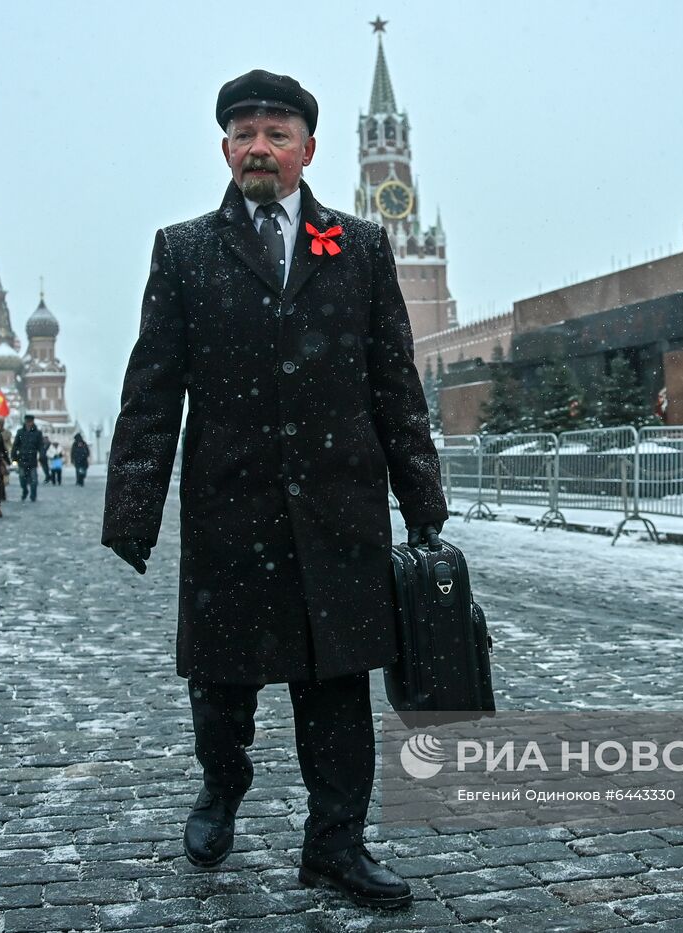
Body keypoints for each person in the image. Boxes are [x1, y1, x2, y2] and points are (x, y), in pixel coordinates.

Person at [102, 70, 445, 909]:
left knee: (338, 692)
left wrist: (422, 500)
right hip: (232, 508)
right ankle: (222, 785)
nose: (260, 146)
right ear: (225, 149)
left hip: (336, 510)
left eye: (277, 132)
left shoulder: (359, 246)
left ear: (307, 150)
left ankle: (336, 845)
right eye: (244, 132)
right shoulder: (184, 250)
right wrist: (134, 507)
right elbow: (153, 388)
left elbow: (393, 381)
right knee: (221, 682)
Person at [12, 414, 44, 502]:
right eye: (27, 422)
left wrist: (42, 455)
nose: (29, 424)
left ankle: (33, 495)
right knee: (22, 478)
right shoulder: (20, 432)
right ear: (25, 422)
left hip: (32, 459)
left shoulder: (37, 433)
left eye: (30, 422)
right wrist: (14, 456)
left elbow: (41, 446)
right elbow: (15, 445)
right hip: (22, 458)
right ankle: (25, 490)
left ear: (33, 422)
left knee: (34, 479)